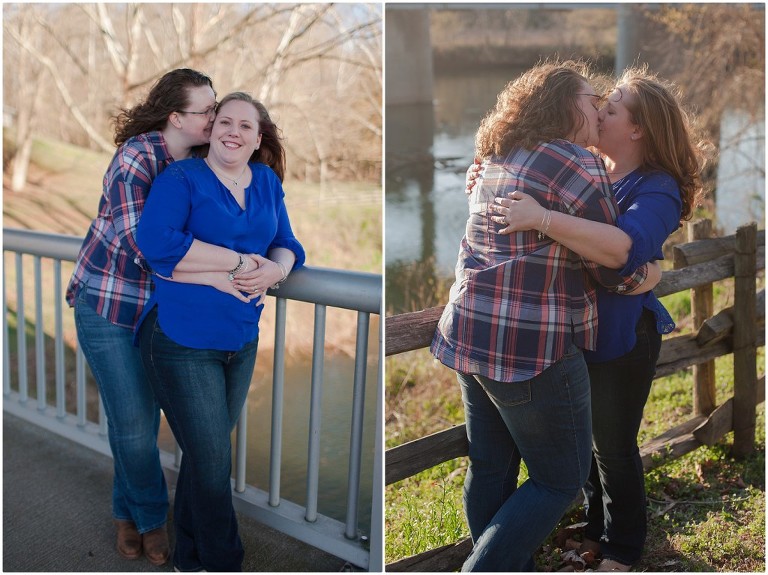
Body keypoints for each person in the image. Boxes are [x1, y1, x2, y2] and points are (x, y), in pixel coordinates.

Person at [429, 60, 661, 572]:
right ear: (562, 106)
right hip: (528, 345)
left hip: (467, 331)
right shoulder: (578, 165)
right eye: (588, 99)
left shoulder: (497, 155)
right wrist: (646, 276)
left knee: (491, 466)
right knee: (560, 477)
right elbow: (606, 264)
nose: (597, 107)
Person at [489, 66, 705, 571]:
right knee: (578, 440)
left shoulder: (657, 188)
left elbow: (626, 252)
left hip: (622, 337)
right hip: (572, 333)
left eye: (611, 108)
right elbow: (520, 175)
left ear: (637, 129)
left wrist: (545, 220)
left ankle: (624, 547)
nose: (597, 112)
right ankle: (595, 527)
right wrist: (486, 170)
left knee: (612, 444)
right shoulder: (588, 166)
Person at [135, 91, 305, 572]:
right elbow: (156, 242)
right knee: (211, 463)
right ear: (211, 131)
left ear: (258, 138)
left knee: (203, 458)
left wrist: (275, 271)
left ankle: (188, 559)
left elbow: (287, 243)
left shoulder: (267, 182)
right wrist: (236, 262)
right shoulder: (182, 178)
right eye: (224, 121)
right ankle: (224, 562)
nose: (233, 131)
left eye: (245, 126)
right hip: (180, 339)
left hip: (240, 339)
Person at [66, 68, 218, 566]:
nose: (215, 120)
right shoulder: (138, 157)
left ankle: (123, 513)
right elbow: (146, 247)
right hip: (108, 305)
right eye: (207, 112)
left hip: (157, 313)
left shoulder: (200, 161)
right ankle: (152, 522)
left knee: (134, 420)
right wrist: (226, 267)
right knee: (133, 424)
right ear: (176, 117)